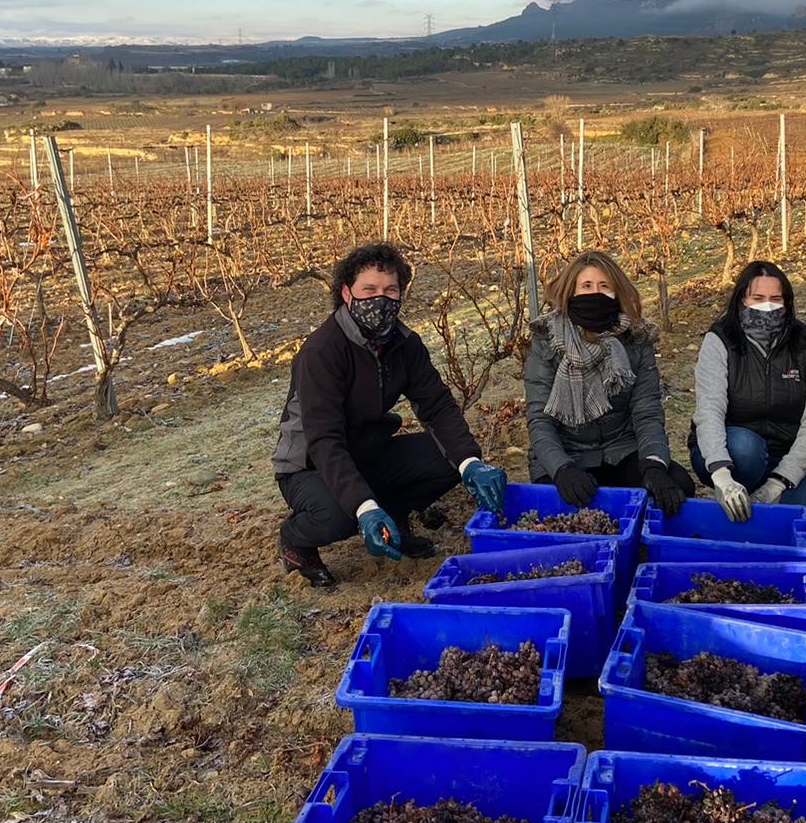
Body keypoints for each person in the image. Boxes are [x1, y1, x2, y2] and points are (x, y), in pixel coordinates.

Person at [272, 242, 508, 588]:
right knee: (341, 516)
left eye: (390, 290)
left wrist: (471, 462)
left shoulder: (404, 344)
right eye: (369, 290)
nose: (380, 300)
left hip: (369, 452)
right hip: (310, 465)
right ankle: (297, 539)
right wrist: (363, 506)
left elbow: (437, 405)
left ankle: (393, 519)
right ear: (347, 294)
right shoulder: (322, 352)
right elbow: (324, 441)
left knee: (448, 457)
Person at [524, 251, 694, 515]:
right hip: (569, 455)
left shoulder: (636, 338)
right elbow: (539, 419)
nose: (596, 294)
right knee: (552, 507)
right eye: (586, 286)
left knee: (679, 485)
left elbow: (647, 411)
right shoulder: (546, 340)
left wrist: (653, 464)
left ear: (618, 292)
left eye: (605, 287)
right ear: (571, 293)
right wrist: (562, 469)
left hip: (622, 449)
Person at [690, 260, 806, 535]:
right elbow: (709, 410)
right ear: (742, 299)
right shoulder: (721, 340)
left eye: (775, 299)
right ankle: (734, 493)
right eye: (758, 298)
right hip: (732, 454)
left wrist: (780, 481)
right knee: (745, 447)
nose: (767, 305)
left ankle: (765, 495)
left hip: (785, 455)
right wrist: (721, 475)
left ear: (787, 303)